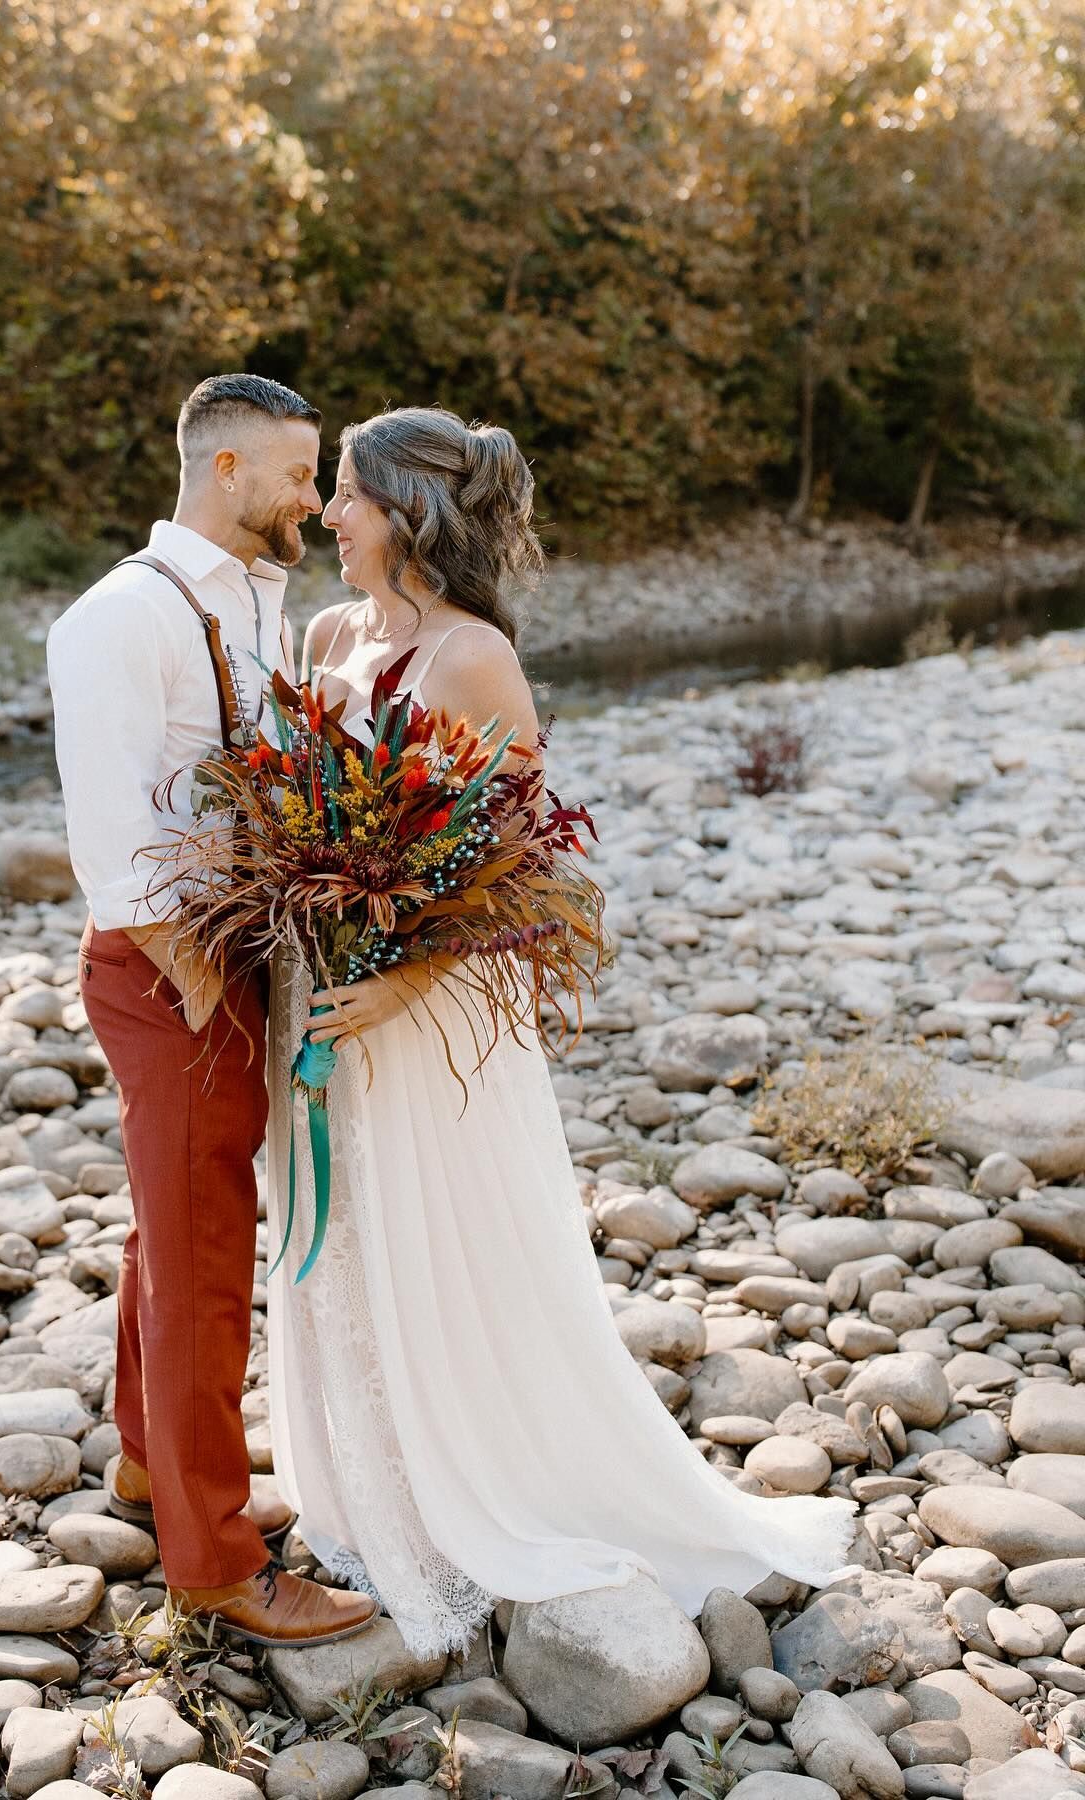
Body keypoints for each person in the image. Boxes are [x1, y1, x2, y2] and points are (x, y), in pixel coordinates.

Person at [265, 405, 859, 1658]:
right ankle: (379, 1489)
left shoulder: (475, 658)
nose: (330, 515)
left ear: (408, 514)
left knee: (450, 1245)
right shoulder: (325, 634)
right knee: (348, 1235)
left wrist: (401, 981)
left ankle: (494, 1483)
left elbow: (523, 873)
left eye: (351, 499)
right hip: (322, 988)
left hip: (426, 1007)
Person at [47, 373, 379, 1646]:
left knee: (170, 1230)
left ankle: (149, 1465)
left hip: (229, 959)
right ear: (227, 470)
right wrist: (200, 985)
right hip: (171, 972)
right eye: (301, 473)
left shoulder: (247, 602)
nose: (315, 496)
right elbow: (111, 838)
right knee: (199, 1256)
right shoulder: (119, 617)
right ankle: (216, 1563)